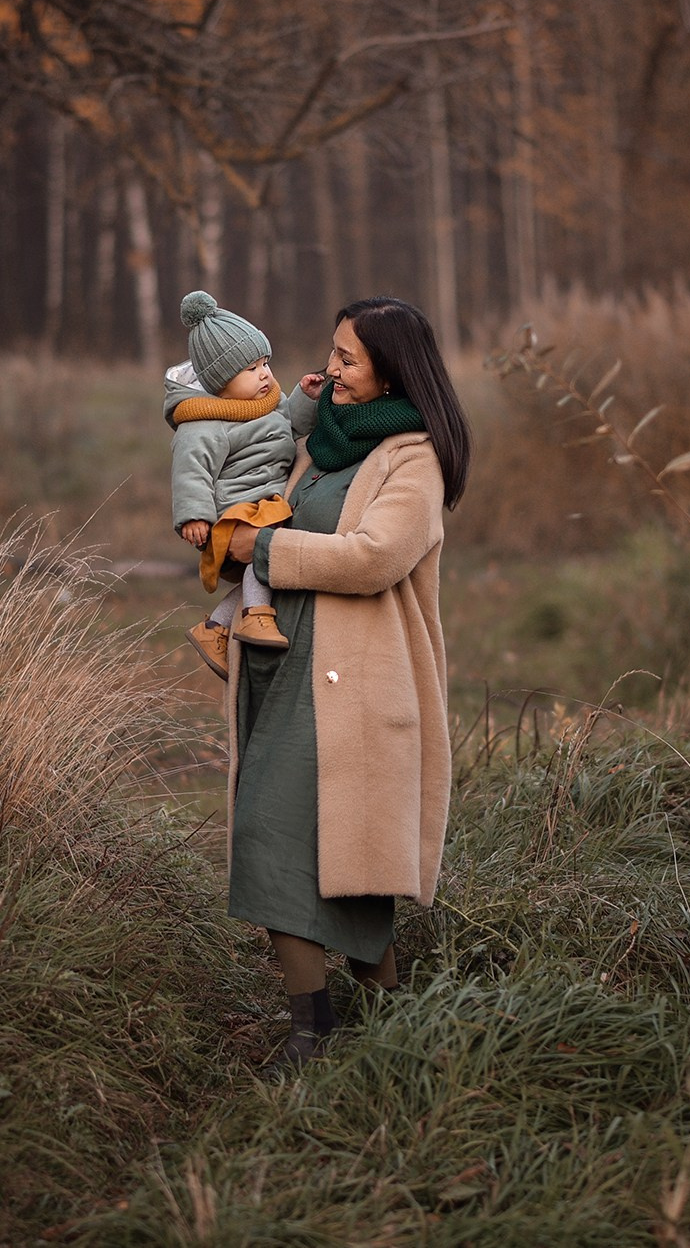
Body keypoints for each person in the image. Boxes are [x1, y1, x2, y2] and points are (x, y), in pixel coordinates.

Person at [220, 296, 472, 1070]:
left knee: (314, 855)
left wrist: (264, 550)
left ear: (392, 368)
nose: (331, 368)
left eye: (348, 358)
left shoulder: (414, 458)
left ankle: (345, 1029)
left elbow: (373, 558)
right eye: (332, 351)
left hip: (356, 685)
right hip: (285, 664)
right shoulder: (324, 442)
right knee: (302, 849)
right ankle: (355, 1026)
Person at [165, 290, 319, 678]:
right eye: (251, 369)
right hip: (235, 510)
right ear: (220, 381)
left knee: (271, 561)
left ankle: (215, 628)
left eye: (265, 362)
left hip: (264, 502)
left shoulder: (266, 402)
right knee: (271, 547)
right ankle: (254, 615)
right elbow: (190, 470)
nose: (265, 374)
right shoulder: (203, 423)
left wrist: (306, 398)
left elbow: (291, 425)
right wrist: (193, 517)